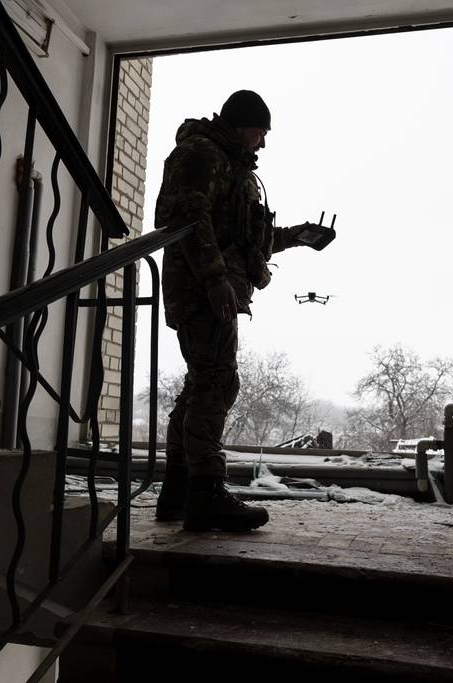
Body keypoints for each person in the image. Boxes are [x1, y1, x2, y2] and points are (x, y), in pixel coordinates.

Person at [153, 90, 327, 531]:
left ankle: (178, 491)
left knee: (199, 386)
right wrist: (214, 280)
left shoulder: (231, 167)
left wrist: (297, 236)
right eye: (260, 132)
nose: (263, 143)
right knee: (217, 382)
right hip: (202, 290)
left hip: (215, 287)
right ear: (240, 124)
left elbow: (246, 239)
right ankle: (206, 493)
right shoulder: (201, 153)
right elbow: (190, 220)